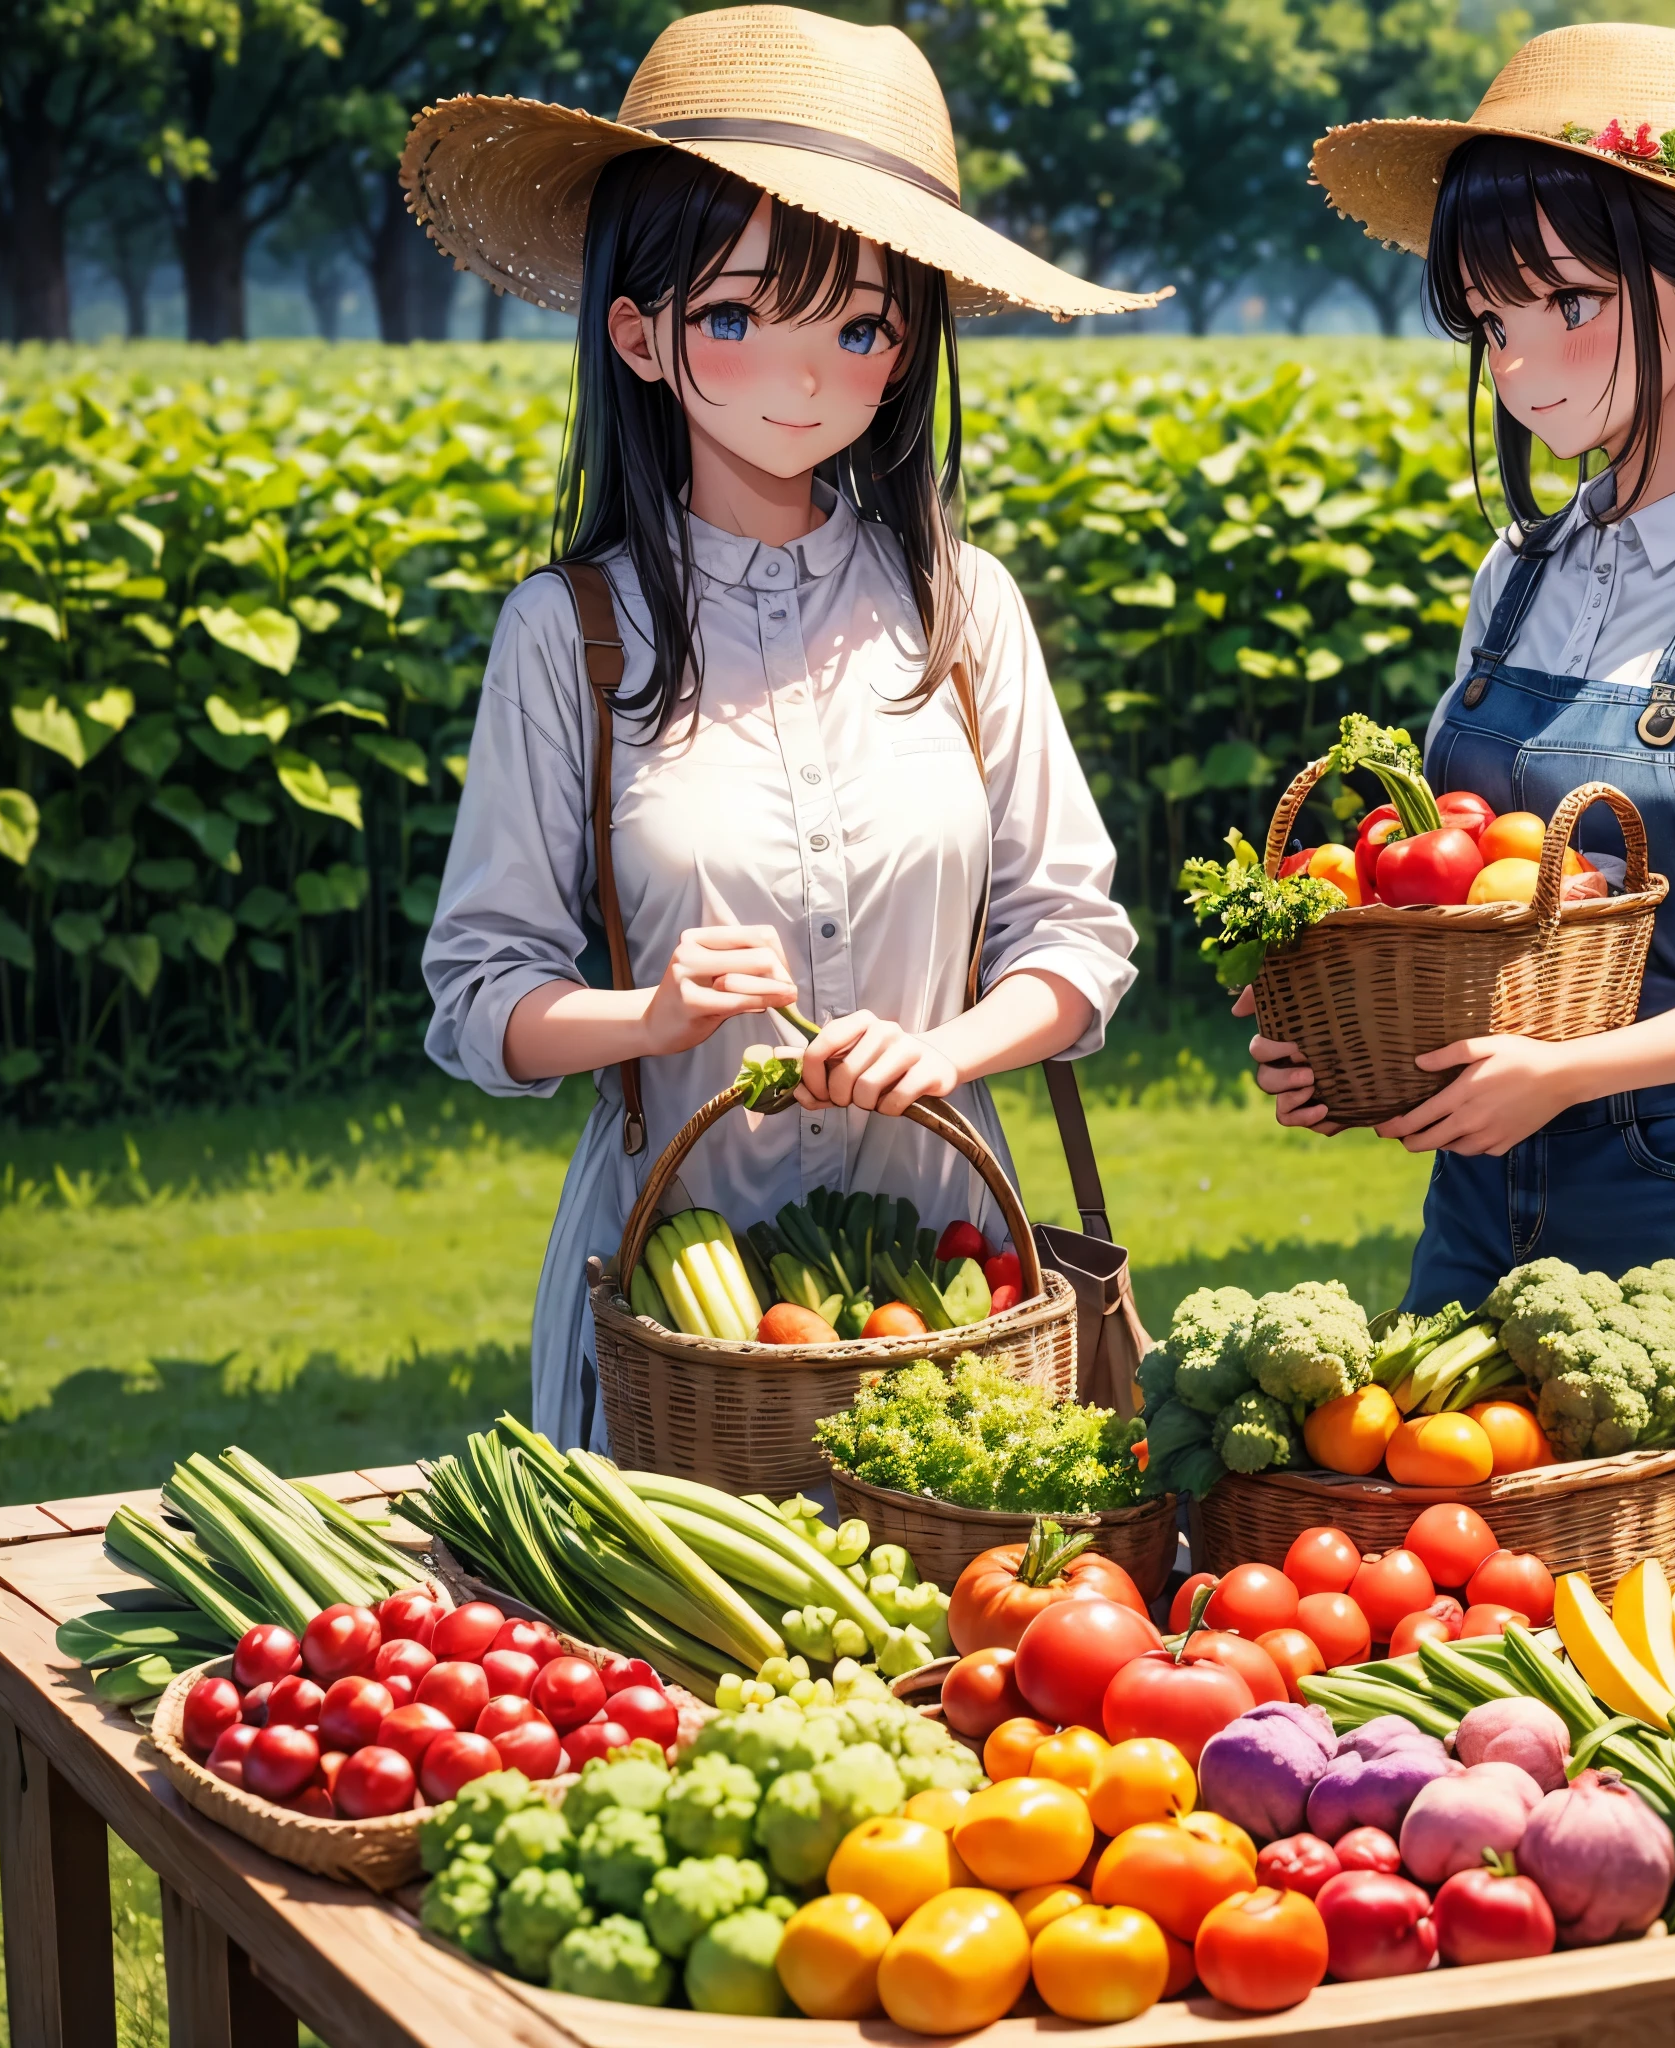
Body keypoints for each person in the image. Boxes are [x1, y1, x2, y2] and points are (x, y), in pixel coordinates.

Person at [405, 7, 1154, 1452]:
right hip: (678, 1299)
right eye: (742, 315)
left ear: (905, 346)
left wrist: (949, 1047)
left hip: (956, 1284)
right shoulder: (568, 634)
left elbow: (1077, 939)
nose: (809, 369)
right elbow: (476, 993)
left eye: (862, 323)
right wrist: (651, 1016)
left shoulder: (962, 605)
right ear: (639, 332)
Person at [1247, 23, 1675, 1564]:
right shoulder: (1516, 579)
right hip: (1476, 1239)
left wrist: (1570, 1073)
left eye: (1566, 302)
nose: (1519, 357)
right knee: (1480, 1715)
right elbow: (1453, 888)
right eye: (1494, 313)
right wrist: (1350, 1052)